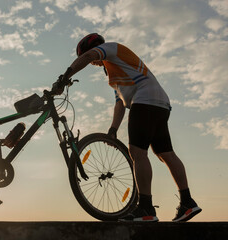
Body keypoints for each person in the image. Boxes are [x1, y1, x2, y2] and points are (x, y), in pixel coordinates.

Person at [56, 33, 202, 222]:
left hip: (145, 100)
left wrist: (64, 76)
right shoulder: (116, 70)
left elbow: (87, 57)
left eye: (92, 58)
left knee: (137, 153)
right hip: (160, 103)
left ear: (92, 47)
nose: (93, 64)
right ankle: (188, 203)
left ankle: (146, 209)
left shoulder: (111, 48)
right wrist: (113, 129)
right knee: (166, 153)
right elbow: (120, 103)